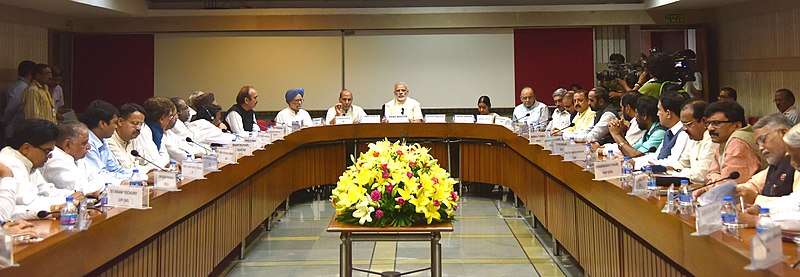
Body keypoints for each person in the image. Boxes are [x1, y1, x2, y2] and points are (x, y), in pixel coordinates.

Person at [0, 119, 80, 220]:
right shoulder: (10, 162)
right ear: (26, 148)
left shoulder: (28, 162)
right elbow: (26, 202)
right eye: (47, 151)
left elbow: (46, 190)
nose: (50, 156)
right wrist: (60, 204)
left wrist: (72, 196)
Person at [694, 101, 766, 197]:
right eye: (708, 123)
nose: (710, 128)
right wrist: (715, 179)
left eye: (716, 123)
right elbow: (709, 175)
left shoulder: (738, 142)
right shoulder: (724, 139)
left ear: (736, 126)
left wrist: (714, 179)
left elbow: (727, 187)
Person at [736, 124, 800, 231]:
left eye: (796, 157)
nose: (792, 162)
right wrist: (761, 209)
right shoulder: (775, 165)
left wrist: (757, 221)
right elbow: (795, 203)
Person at [735, 114, 797, 205]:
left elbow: (796, 204)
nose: (760, 148)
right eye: (757, 144)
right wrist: (733, 190)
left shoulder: (797, 164)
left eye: (763, 140)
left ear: (784, 133)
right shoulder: (776, 163)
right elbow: (754, 185)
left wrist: (757, 199)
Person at [41, 121, 119, 193]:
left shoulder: (77, 158)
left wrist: (119, 183)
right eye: (84, 143)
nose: (89, 147)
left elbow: (96, 177)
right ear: (67, 145)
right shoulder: (55, 159)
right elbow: (80, 189)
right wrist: (110, 186)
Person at [659, 100, 717, 184]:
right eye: (683, 124)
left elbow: (702, 176)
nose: (684, 129)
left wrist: (676, 172)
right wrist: (669, 170)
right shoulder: (693, 138)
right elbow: (682, 163)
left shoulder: (713, 139)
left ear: (704, 122)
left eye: (688, 125)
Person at [633, 93, 690, 166]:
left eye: (659, 110)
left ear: (668, 113)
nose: (657, 114)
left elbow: (672, 161)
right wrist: (633, 161)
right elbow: (656, 156)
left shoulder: (684, 133)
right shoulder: (668, 133)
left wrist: (638, 164)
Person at [81, 100, 131, 180]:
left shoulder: (103, 140)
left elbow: (114, 168)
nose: (116, 127)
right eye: (115, 123)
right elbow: (99, 174)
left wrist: (139, 175)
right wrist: (136, 178)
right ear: (102, 124)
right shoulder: (87, 143)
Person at [106, 103, 151, 170]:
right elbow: (126, 168)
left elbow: (147, 162)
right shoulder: (109, 140)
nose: (139, 128)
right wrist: (144, 169)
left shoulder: (133, 140)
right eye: (135, 123)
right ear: (120, 122)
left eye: (141, 124)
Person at [2, 60, 36, 142]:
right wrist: (3, 121)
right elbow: (11, 108)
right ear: (31, 73)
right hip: (14, 129)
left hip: (19, 129)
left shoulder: (26, 86)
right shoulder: (20, 88)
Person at [138, 97, 176, 169]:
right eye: (170, 116)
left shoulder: (158, 131)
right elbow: (153, 161)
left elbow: (165, 157)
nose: (171, 119)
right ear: (161, 119)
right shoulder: (143, 131)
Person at [164, 97, 204, 161]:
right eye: (185, 108)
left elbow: (183, 144)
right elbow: (178, 153)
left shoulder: (169, 131)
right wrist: (195, 154)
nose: (188, 110)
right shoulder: (176, 125)